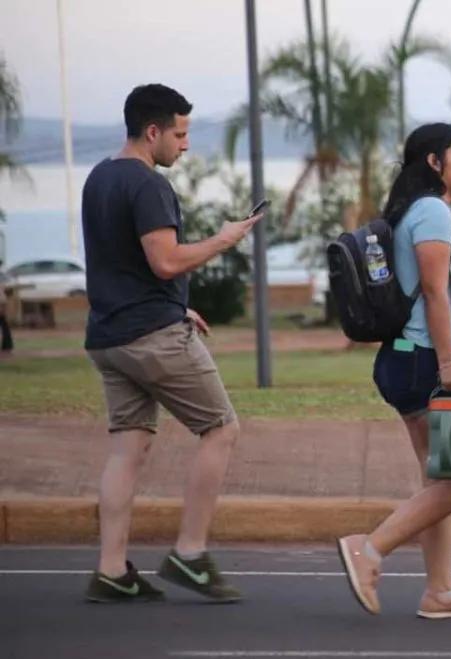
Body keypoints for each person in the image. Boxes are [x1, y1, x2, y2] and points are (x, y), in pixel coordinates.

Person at [80, 84, 262, 603]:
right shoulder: (149, 186)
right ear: (153, 131)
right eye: (179, 135)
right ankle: (189, 553)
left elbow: (122, 263)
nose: (184, 145)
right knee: (221, 429)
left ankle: (112, 570)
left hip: (110, 337)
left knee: (128, 446)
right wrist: (224, 240)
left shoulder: (99, 178)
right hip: (151, 339)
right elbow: (164, 260)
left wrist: (175, 304)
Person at [336, 123, 451, 619]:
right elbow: (433, 291)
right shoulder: (431, 212)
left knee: (439, 479)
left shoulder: (418, 211)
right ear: (433, 162)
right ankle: (369, 549)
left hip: (409, 356)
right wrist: (449, 365)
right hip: (425, 360)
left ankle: (440, 591)